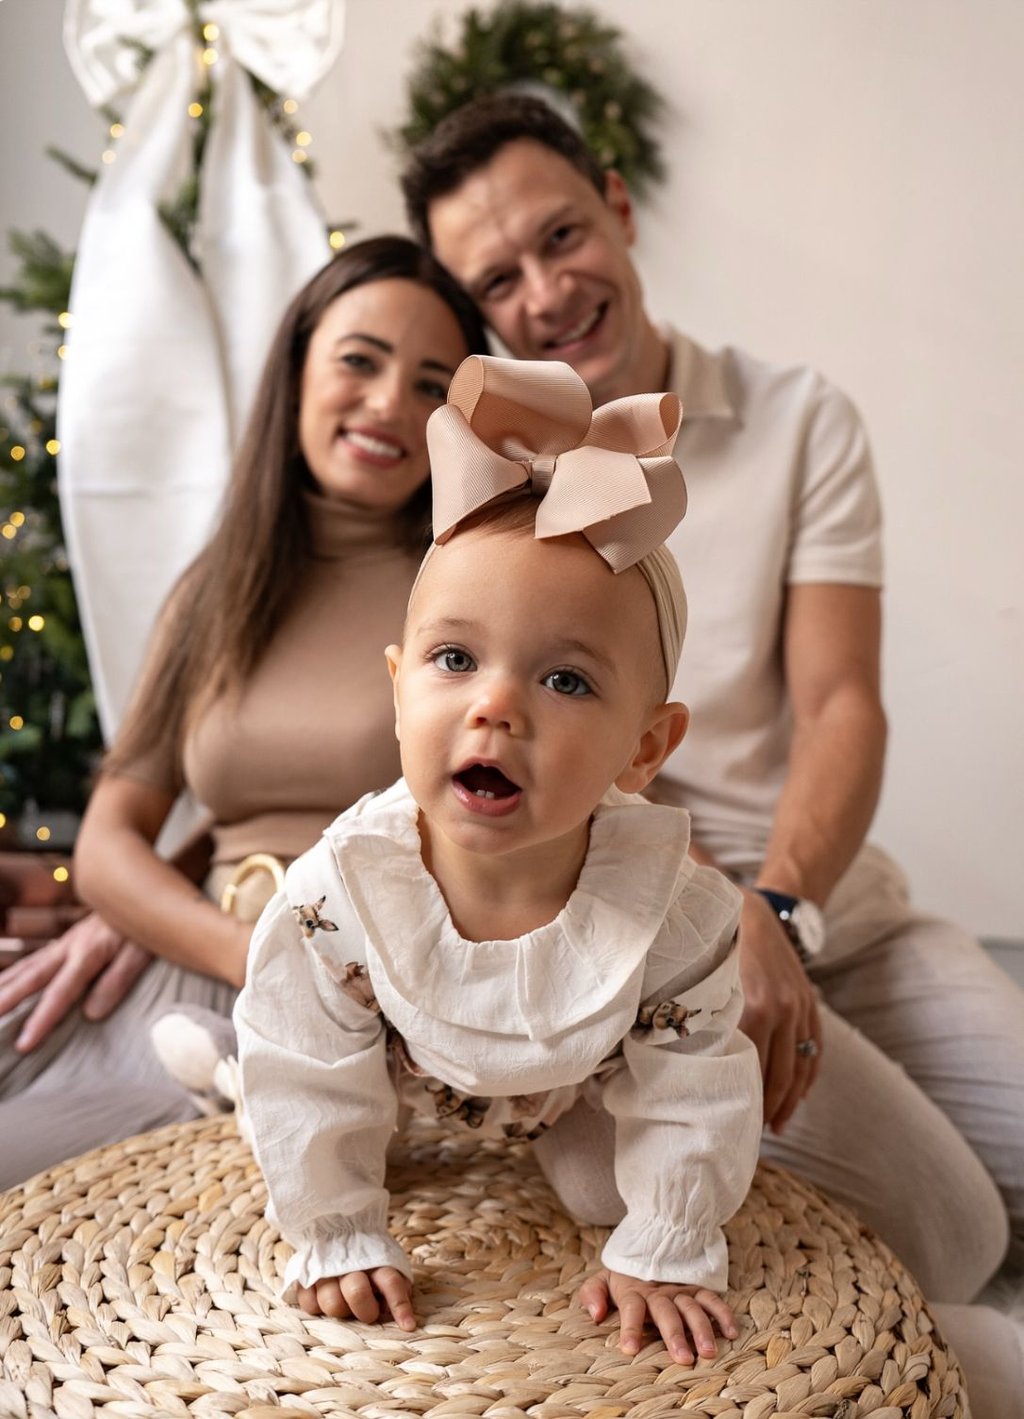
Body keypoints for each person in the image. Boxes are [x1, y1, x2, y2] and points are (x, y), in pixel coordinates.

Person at [399, 96, 1024, 1406]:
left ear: (620, 208)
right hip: (645, 920)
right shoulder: (481, 487)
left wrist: (781, 904)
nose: (547, 289)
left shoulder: (799, 418)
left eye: (563, 234)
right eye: (497, 279)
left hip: (821, 887)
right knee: (955, 1228)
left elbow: (843, 699)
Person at [235, 354, 761, 1363]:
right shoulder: (339, 896)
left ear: (644, 750)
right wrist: (337, 1227)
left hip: (577, 1085)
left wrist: (665, 1241)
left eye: (565, 678)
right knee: (313, 1105)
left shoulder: (672, 917)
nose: (495, 705)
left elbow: (694, 1084)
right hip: (399, 1076)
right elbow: (304, 1054)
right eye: (453, 659)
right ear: (397, 692)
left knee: (605, 1194)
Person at [0, 236, 489, 1189]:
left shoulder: (470, 587)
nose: (390, 403)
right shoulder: (215, 590)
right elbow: (107, 843)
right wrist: (238, 948)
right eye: (359, 359)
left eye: (431, 384)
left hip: (353, 1013)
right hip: (189, 965)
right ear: (298, 365)